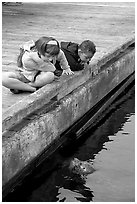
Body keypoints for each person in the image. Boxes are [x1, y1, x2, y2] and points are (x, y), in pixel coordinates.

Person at [2, 36, 74, 94]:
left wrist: (66, 68)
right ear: (40, 51)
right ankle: (30, 88)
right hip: (27, 75)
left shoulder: (55, 52)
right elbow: (51, 68)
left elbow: (61, 56)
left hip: (40, 76)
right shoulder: (27, 58)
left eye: (53, 56)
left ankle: (21, 87)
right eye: (48, 56)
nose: (51, 59)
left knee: (50, 76)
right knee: (3, 78)